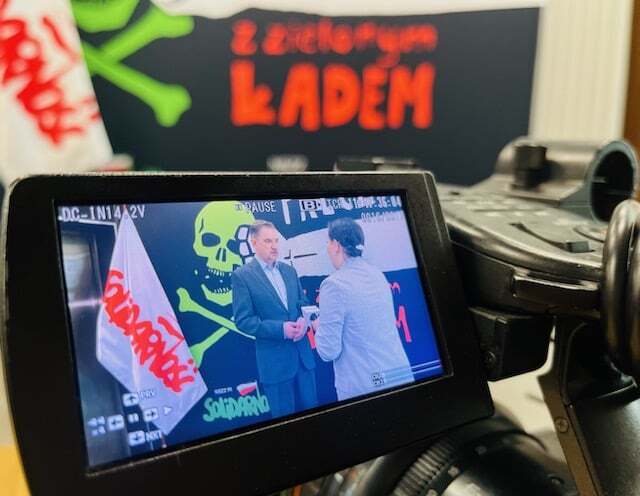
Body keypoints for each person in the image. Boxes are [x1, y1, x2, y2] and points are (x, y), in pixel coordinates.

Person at [312, 217, 413, 401]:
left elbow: (328, 351)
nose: (327, 248)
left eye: (328, 242)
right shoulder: (377, 274)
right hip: (400, 375)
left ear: (336, 245)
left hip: (366, 388)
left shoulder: (333, 285)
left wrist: (318, 326)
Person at [232, 220, 317, 418]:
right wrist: (280, 329)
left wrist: (304, 321)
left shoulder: (289, 271)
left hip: (303, 360)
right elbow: (243, 320)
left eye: (276, 241)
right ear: (254, 243)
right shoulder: (242, 276)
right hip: (275, 366)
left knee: (315, 418)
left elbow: (303, 303)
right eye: (268, 241)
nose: (274, 246)